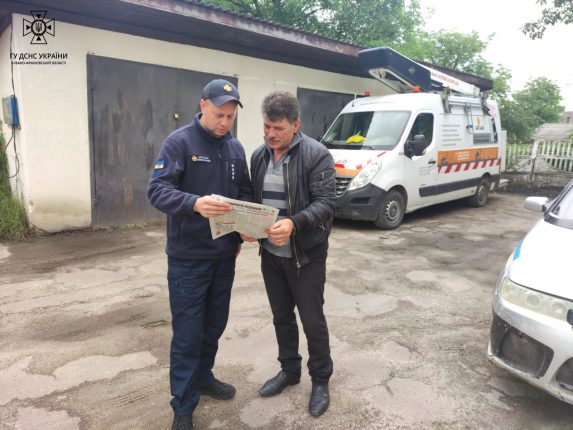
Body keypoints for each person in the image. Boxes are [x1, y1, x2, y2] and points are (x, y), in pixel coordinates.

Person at [148, 79, 252, 430]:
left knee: (213, 325)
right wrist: (194, 203)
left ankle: (204, 377)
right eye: (220, 114)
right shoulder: (179, 143)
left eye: (231, 116)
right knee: (188, 334)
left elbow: (244, 193)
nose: (225, 122)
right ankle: (183, 404)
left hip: (224, 256)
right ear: (203, 105)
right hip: (188, 259)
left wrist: (246, 225)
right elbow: (157, 190)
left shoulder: (235, 148)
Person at [247, 91, 336, 417]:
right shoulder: (258, 156)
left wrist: (294, 223)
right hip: (271, 254)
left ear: (296, 125)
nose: (271, 134)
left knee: (312, 321)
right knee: (281, 317)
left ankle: (321, 380)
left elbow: (326, 204)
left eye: (279, 128)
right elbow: (253, 200)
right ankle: (289, 369)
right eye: (266, 126)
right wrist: (246, 225)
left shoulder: (317, 155)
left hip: (305, 256)